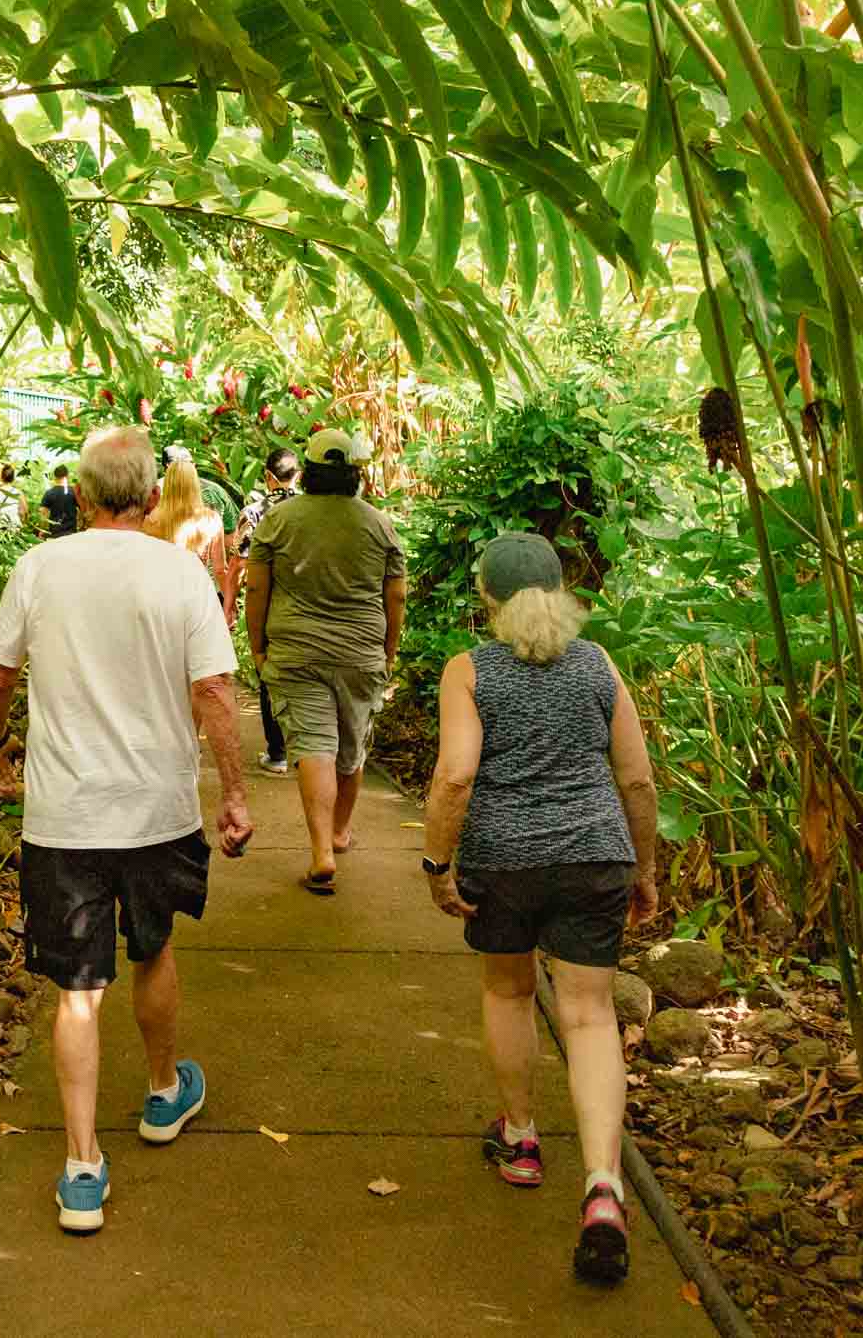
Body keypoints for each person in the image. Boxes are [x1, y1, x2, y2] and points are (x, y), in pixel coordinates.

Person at [0, 426, 255, 1236]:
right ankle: (165, 1091)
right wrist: (234, 793)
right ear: (146, 495)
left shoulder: (38, 568)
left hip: (63, 812)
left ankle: (81, 1167)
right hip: (154, 809)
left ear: (85, 493)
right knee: (155, 946)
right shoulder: (183, 574)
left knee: (77, 992)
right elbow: (212, 691)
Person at [417, 532, 659, 1287]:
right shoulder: (597, 664)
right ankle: (602, 1186)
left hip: (505, 862)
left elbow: (455, 776)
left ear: (487, 599)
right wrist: (644, 868)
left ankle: (520, 1139)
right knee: (589, 1014)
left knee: (508, 989)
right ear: (560, 592)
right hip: (595, 855)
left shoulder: (470, 670)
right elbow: (639, 778)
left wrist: (435, 861)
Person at [242, 428, 404, 893]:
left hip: (296, 651)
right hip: (360, 653)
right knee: (350, 751)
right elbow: (395, 595)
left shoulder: (279, 519)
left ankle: (321, 853)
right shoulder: (379, 524)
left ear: (309, 472)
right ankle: (339, 831)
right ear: (354, 473)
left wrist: (257, 645)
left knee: (314, 746)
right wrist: (388, 650)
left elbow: (256, 588)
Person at [231, 447, 301, 773]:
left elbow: (241, 562)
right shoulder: (311, 510)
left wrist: (233, 603)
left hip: (269, 605)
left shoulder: (255, 512)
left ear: (268, 477)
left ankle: (278, 753)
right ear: (298, 474)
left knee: (269, 674)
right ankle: (306, 748)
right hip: (307, 605)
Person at [148, 455, 234, 623]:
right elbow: (219, 570)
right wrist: (230, 603)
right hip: (198, 598)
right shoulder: (210, 520)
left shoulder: (150, 519)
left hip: (160, 599)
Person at [38, 463, 79, 538]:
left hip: (55, 533)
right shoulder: (74, 492)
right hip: (71, 533)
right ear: (67, 476)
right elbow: (83, 510)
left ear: (55, 476)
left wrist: (42, 530)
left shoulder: (49, 493)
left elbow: (43, 513)